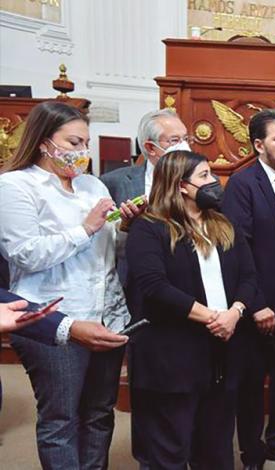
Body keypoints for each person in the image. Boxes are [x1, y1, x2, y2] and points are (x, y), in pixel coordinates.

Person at [0, 101, 141, 469]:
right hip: (53, 319)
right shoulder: (16, 185)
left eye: (85, 143)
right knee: (61, 419)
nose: (82, 153)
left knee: (99, 413)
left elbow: (108, 253)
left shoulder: (92, 184)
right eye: (74, 143)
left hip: (107, 314)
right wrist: (86, 228)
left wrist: (123, 228)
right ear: (45, 142)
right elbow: (25, 254)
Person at [125, 150, 257, 469]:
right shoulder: (149, 227)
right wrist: (211, 316)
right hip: (170, 355)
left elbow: (249, 276)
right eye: (205, 176)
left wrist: (235, 312)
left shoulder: (223, 224)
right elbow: (153, 286)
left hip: (221, 352)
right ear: (181, 185)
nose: (214, 181)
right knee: (169, 450)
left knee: (215, 448)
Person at [221, 109, 275, 470]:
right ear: (259, 145)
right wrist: (255, 304)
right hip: (257, 305)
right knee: (252, 382)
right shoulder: (243, 185)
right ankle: (252, 450)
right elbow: (238, 248)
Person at [0, 289, 129, 412]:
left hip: (108, 312)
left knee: (100, 410)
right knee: (60, 415)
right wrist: (65, 325)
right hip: (53, 309)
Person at [100, 109, 189, 284]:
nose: (184, 146)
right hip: (136, 282)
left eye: (185, 139)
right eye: (174, 141)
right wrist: (126, 226)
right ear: (150, 147)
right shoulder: (114, 182)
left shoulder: (204, 181)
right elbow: (106, 243)